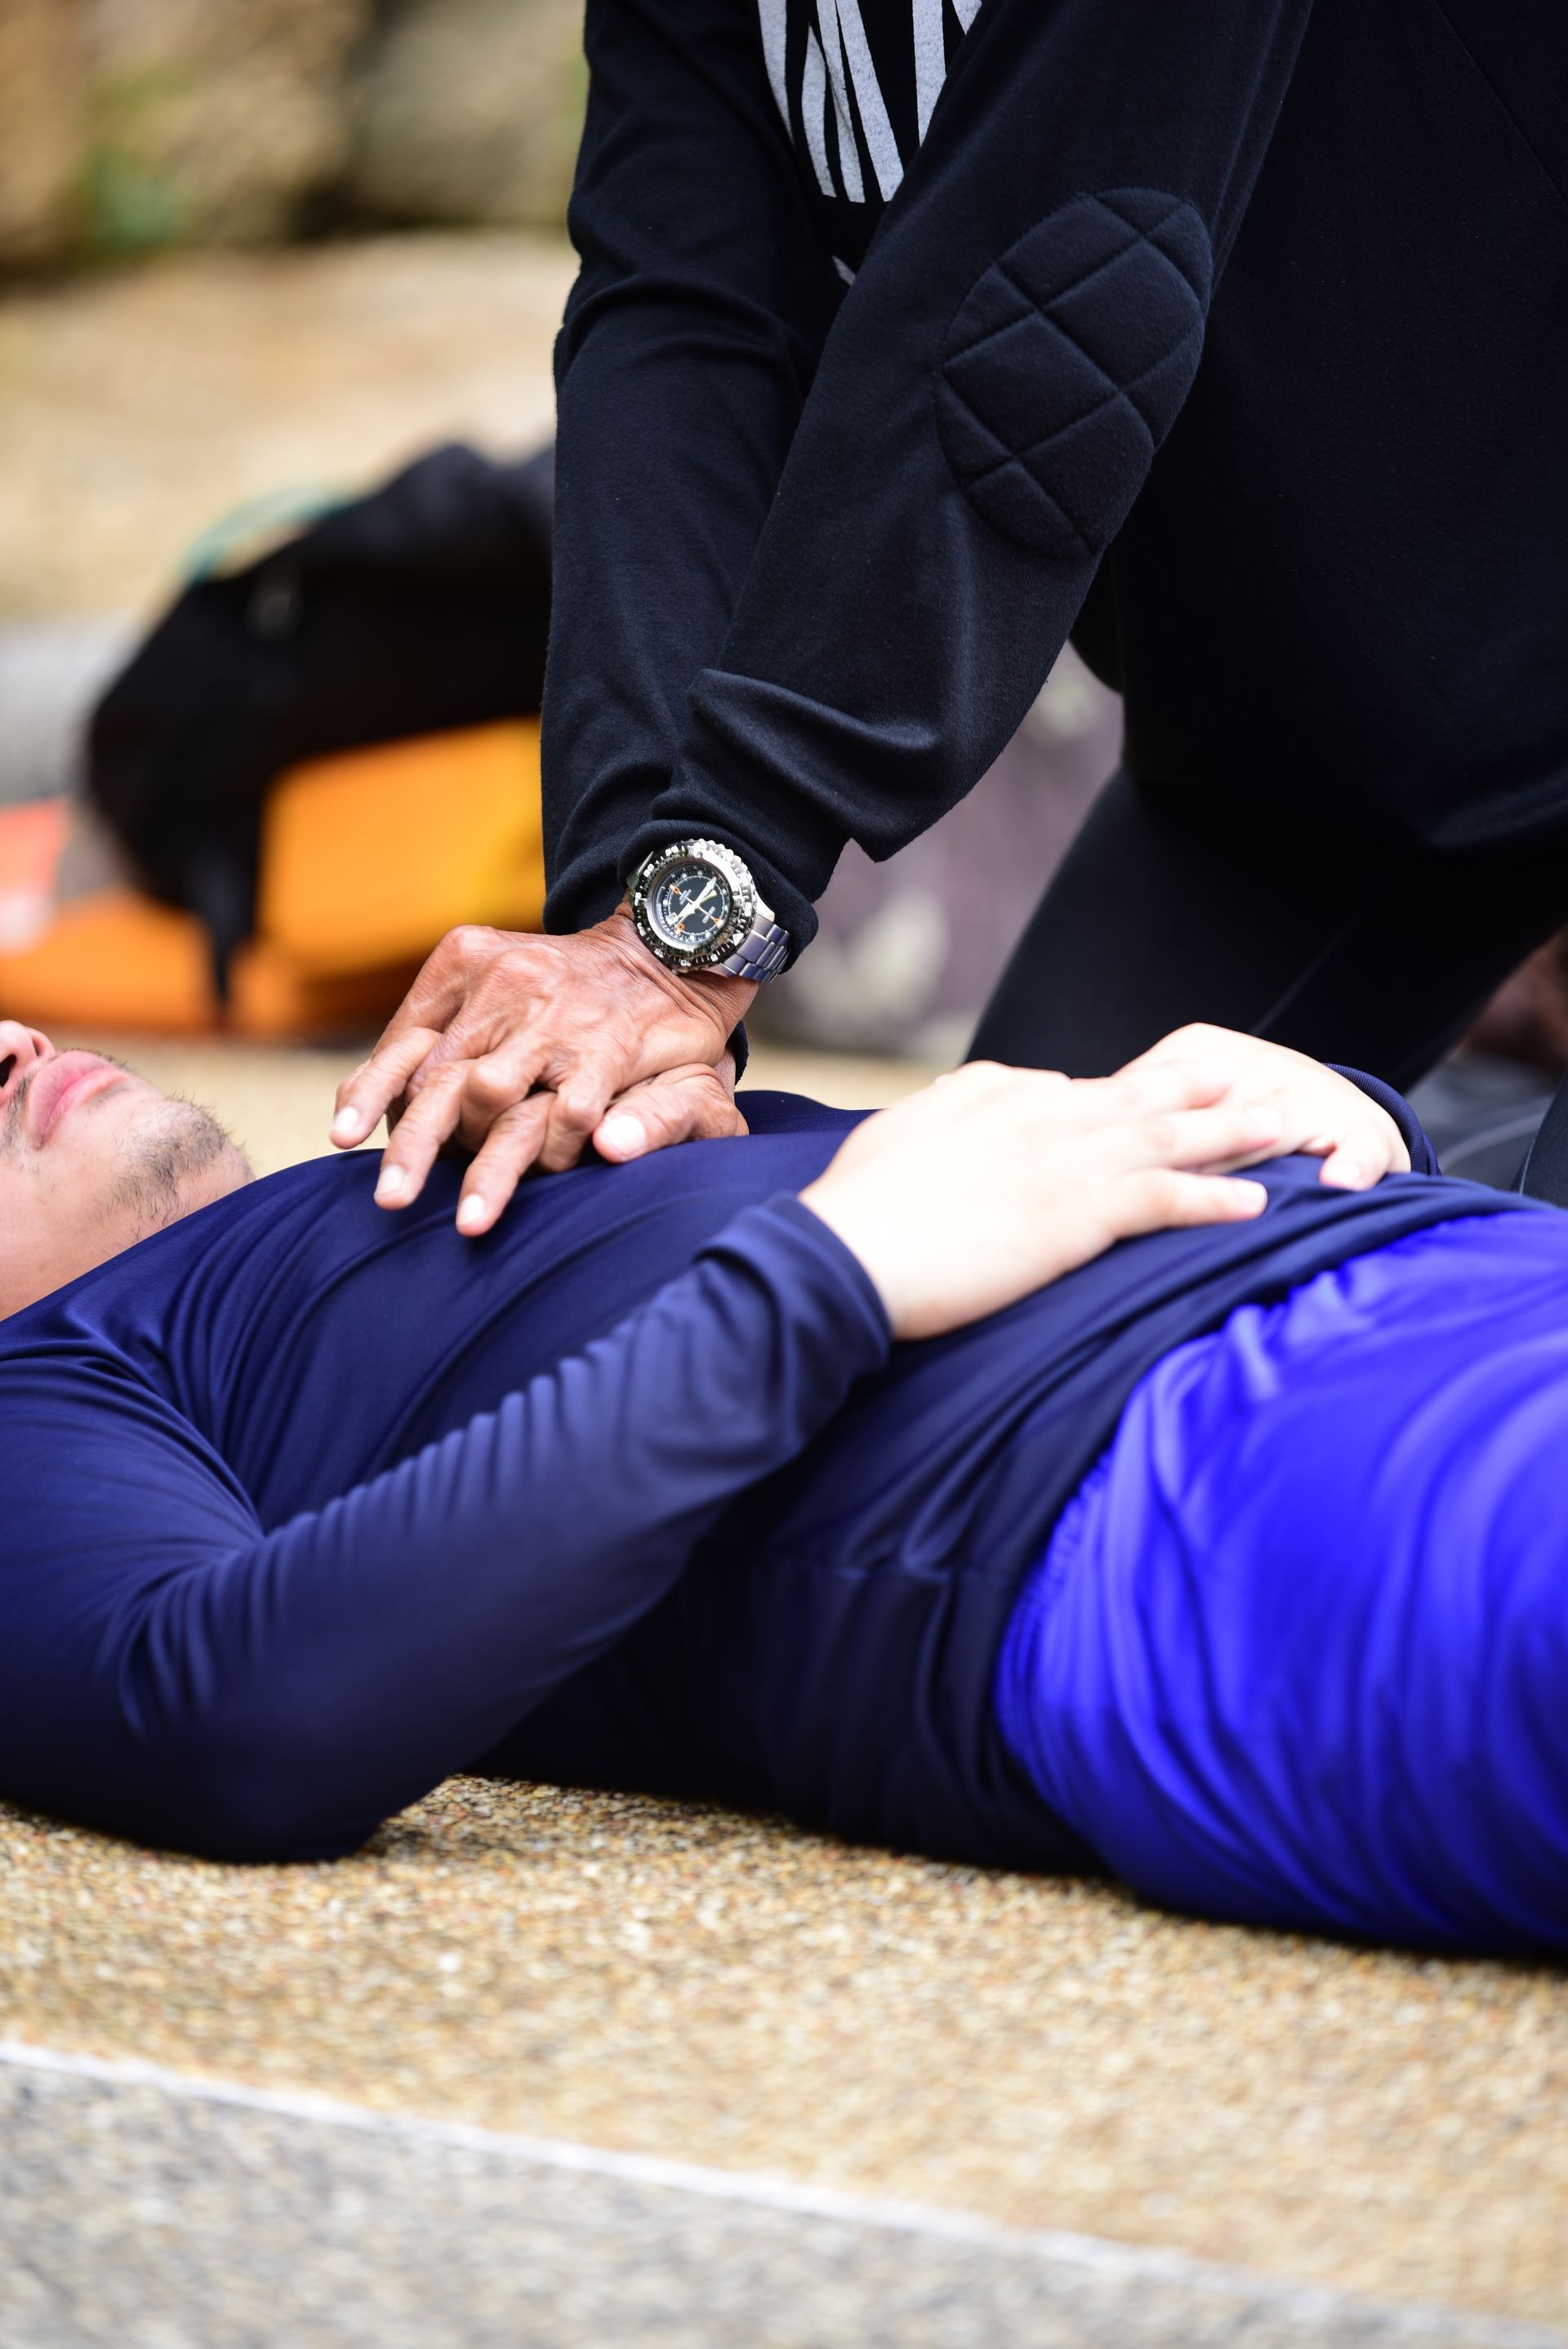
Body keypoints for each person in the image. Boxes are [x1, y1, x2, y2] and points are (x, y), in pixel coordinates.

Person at [324, 0, 1568, 1232]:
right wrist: (627, 904)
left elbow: (1066, 281)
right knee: (996, 1294)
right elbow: (683, 308)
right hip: (1297, 759)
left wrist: (701, 913)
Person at [3, 1014, 1566, 1955]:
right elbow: (228, 1716)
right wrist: (831, 1271)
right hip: (1163, 1492)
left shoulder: (389, 1187)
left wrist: (1304, 1113)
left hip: (1424, 1268)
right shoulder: (47, 1387)